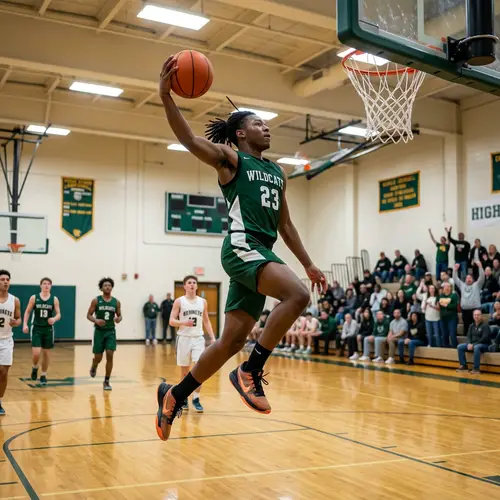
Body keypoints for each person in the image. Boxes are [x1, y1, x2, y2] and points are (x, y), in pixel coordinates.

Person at [155, 56, 326, 441]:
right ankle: (251, 369)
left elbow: (286, 226)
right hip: (242, 247)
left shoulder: (277, 173)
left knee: (230, 340)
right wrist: (166, 97)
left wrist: (310, 262)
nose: (266, 127)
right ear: (240, 134)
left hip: (259, 255)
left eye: (265, 123)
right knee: (297, 295)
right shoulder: (231, 160)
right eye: (257, 123)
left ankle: (174, 395)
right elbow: (188, 140)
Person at [169, 275, 216, 412]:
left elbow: (206, 321)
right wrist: (183, 322)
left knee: (200, 369)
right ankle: (183, 398)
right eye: (189, 282)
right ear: (184, 286)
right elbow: (172, 321)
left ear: (196, 286)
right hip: (183, 338)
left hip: (198, 338)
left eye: (194, 282)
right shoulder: (179, 301)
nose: (192, 284)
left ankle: (196, 397)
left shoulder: (203, 302)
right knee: (184, 372)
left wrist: (212, 338)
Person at [22, 277, 61, 385]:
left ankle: (43, 374)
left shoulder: (54, 299)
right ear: (41, 285)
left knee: (46, 354)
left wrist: (54, 319)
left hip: (48, 329)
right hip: (37, 328)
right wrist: (25, 324)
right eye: (44, 283)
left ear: (51, 286)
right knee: (36, 353)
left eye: (48, 284)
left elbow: (59, 314)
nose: (46, 285)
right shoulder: (34, 298)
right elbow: (27, 312)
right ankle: (34, 367)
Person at [87, 278, 122, 391]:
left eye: (109, 285)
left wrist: (118, 319)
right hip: (99, 332)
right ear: (101, 288)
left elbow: (120, 315)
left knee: (110, 354)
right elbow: (89, 315)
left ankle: (106, 380)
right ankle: (94, 365)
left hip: (110, 331)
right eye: (105, 285)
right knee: (98, 357)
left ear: (112, 287)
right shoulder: (96, 301)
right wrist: (96, 321)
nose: (107, 287)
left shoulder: (116, 302)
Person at [0, 270, 21, 415]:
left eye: (8, 279)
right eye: (2, 279)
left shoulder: (15, 300)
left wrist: (16, 322)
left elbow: (18, 319)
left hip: (6, 339)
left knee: (3, 372)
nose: (6, 282)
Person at [453, 261, 484, 340]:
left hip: (475, 310)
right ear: (465, 280)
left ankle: (476, 341)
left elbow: (482, 277)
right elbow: (455, 279)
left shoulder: (477, 285)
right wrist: (455, 270)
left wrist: (480, 267)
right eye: (467, 278)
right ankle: (467, 343)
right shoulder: (462, 285)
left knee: (476, 327)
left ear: (473, 279)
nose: (468, 279)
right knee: (466, 327)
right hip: (465, 311)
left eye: (470, 278)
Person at [456, 309, 491, 374]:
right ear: (473, 316)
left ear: (481, 316)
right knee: (460, 347)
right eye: (475, 315)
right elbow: (468, 336)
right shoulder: (471, 325)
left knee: (477, 347)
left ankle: (476, 368)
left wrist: (473, 345)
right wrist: (469, 343)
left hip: (484, 345)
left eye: (478, 315)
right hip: (473, 345)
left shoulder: (485, 325)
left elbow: (484, 338)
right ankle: (464, 366)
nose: (476, 316)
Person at [439, 282, 459, 348]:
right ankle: (446, 348)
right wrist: (446, 305)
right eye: (445, 287)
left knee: (452, 334)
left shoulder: (454, 295)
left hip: (452, 318)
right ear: (443, 288)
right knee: (444, 334)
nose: (447, 288)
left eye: (448, 287)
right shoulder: (441, 296)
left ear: (451, 288)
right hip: (443, 318)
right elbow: (439, 304)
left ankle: (455, 347)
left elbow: (455, 306)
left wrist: (446, 305)